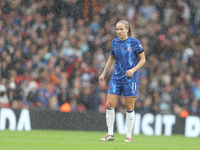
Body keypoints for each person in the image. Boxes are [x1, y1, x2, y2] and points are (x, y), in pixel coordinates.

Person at [99, 20, 146, 142]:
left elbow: (143, 60)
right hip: (116, 77)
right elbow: (112, 58)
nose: (118, 31)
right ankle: (110, 134)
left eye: (121, 29)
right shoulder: (115, 42)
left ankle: (129, 135)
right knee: (109, 104)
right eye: (117, 29)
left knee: (129, 106)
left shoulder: (134, 42)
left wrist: (133, 69)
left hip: (130, 79)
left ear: (127, 30)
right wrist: (104, 73)